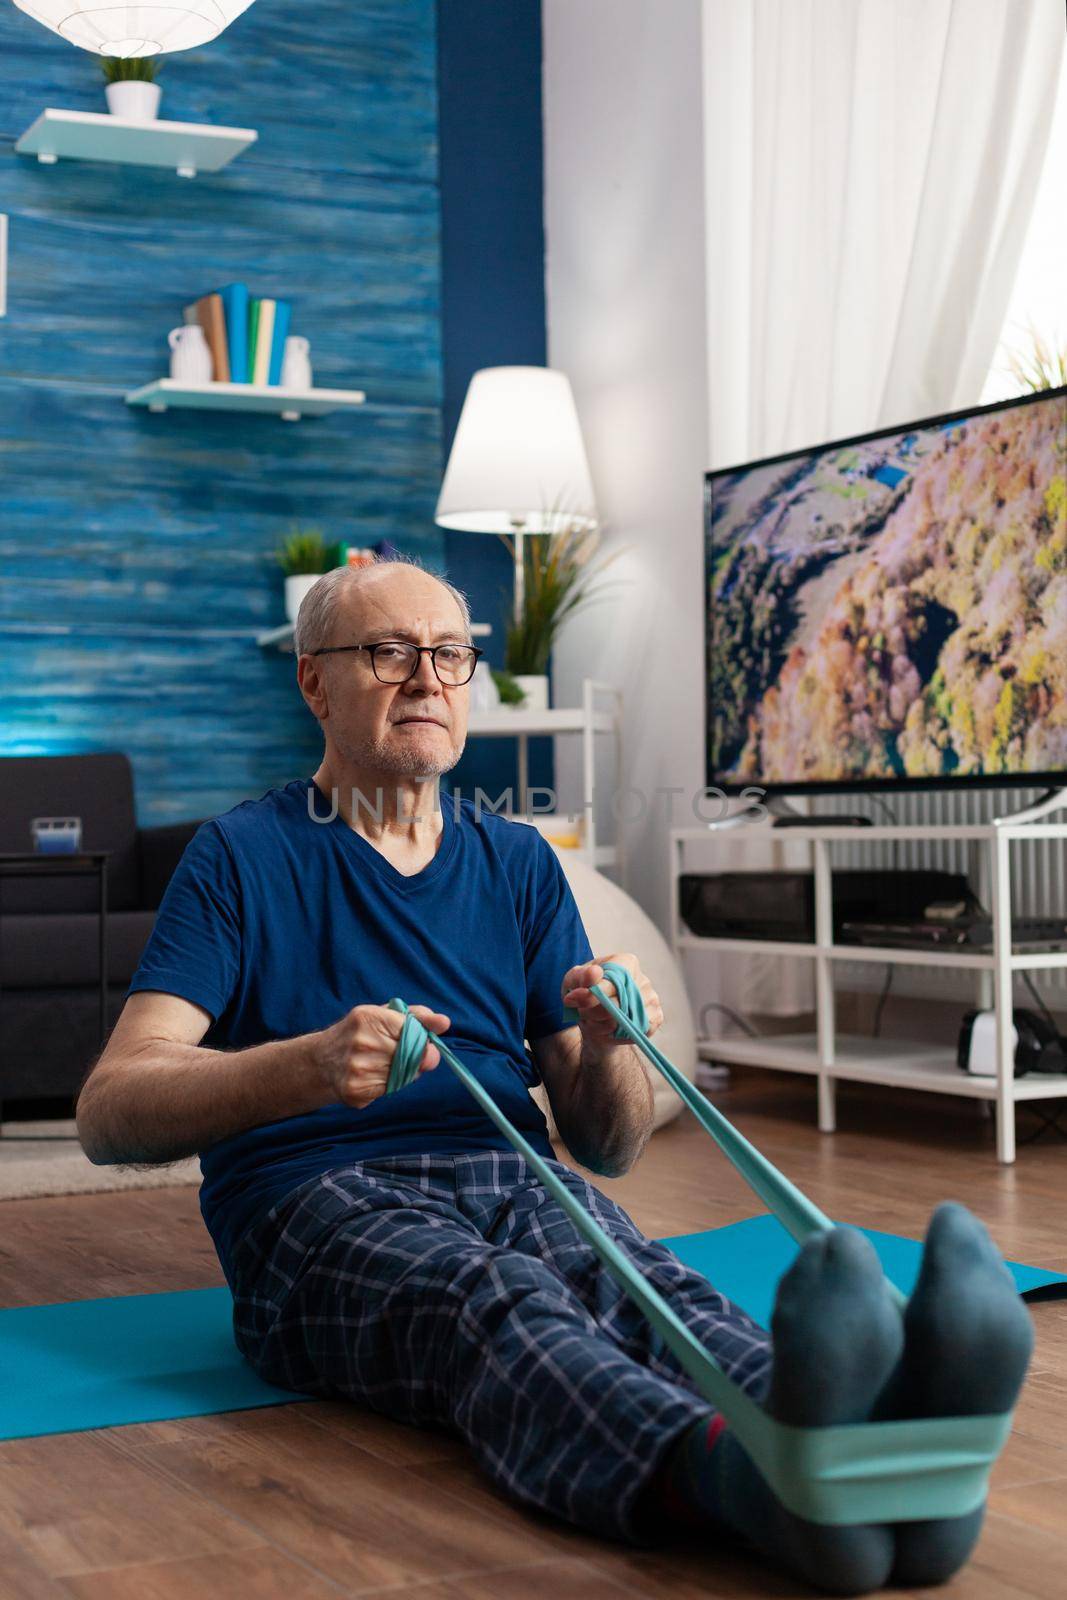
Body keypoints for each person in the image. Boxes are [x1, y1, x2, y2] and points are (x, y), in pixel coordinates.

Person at [77, 558, 1033, 1596]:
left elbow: (608, 1144)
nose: (426, 680)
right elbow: (112, 1109)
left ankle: (853, 1445)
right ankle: (742, 1483)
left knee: (647, 1287)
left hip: (513, 1172)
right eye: (388, 652)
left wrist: (610, 1042)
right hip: (313, 1201)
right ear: (314, 682)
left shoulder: (518, 862)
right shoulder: (239, 856)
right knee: (496, 1298)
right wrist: (306, 1066)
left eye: (449, 655)